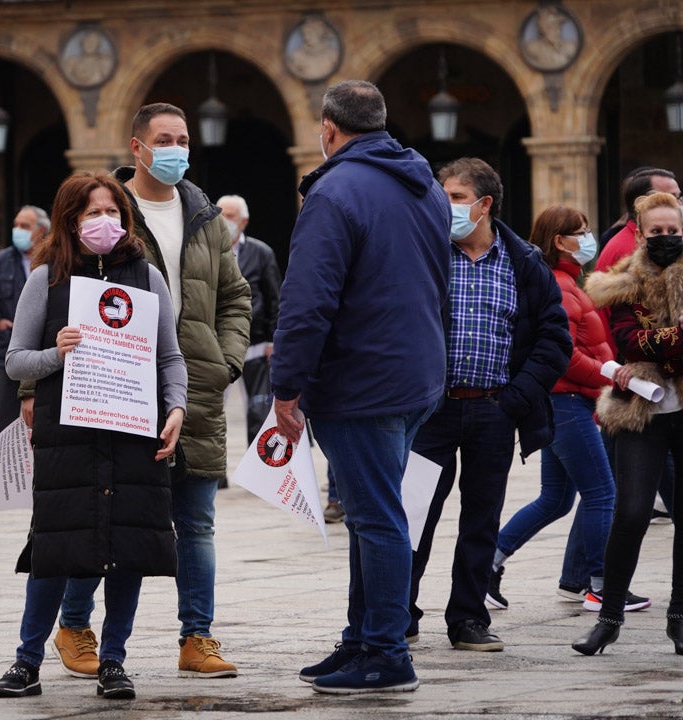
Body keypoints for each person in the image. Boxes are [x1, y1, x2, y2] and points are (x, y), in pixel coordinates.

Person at [52, 103, 251, 681]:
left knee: (197, 522)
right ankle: (74, 624)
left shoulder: (205, 215)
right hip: (118, 392)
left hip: (198, 392)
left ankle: (198, 637)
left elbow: (236, 297)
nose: (177, 149)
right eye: (165, 139)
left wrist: (225, 361)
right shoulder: (105, 211)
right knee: (108, 518)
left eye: (183, 139)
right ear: (136, 147)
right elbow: (56, 289)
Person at [271, 80, 451, 694]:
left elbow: (306, 301)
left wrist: (286, 386)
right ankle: (360, 638)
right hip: (415, 376)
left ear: (328, 129)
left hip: (362, 382)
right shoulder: (424, 185)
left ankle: (387, 653)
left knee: (377, 519)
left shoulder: (335, 191)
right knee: (373, 513)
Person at [0, 171, 187, 700]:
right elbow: (15, 362)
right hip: (68, 435)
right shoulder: (46, 279)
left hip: (132, 432)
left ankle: (114, 660)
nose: (105, 222)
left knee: (130, 549)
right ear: (70, 219)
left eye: (113, 213)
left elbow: (169, 355)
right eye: (92, 212)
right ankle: (26, 660)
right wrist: (59, 352)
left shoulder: (145, 276)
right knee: (55, 548)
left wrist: (176, 407)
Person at [407, 157, 570, 652]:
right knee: (413, 517)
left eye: (455, 197)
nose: (445, 205)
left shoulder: (524, 262)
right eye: (442, 195)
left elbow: (554, 339)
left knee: (482, 520)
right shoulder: (425, 252)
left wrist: (514, 400)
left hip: (493, 410)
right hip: (429, 410)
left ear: (484, 205)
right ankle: (398, 612)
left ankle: (468, 618)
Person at [485, 206, 615, 614]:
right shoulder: (559, 285)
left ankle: (486, 566)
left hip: (567, 401)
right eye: (581, 231)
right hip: (567, 401)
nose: (588, 238)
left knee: (555, 499)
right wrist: (609, 374)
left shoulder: (568, 282)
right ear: (559, 241)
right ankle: (600, 586)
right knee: (602, 493)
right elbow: (564, 353)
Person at [575, 191, 683, 656]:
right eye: (655, 231)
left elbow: (646, 343)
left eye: (672, 230)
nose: (665, 238)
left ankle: (679, 618)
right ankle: (609, 618)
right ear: (639, 233)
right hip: (641, 410)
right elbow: (628, 341)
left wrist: (659, 343)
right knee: (632, 513)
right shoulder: (620, 283)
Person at [0, 205, 48, 485]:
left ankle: (40, 467)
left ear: (41, 230)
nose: (17, 230)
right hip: (7, 349)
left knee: (42, 412)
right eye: (16, 224)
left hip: (44, 351)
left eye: (25, 225)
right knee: (3, 412)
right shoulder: (1, 260)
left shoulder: (53, 259)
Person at [217, 194, 281, 442]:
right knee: (212, 412)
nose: (225, 220)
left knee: (259, 410)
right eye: (220, 214)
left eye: (230, 215)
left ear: (243, 221)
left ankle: (260, 474)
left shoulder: (261, 252)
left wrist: (274, 341)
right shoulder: (207, 249)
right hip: (218, 343)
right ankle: (216, 476)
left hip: (255, 344)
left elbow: (274, 298)